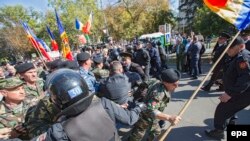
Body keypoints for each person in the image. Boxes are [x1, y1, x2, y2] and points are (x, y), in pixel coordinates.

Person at [32, 69, 146, 141]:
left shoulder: (59, 130)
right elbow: (130, 119)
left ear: (57, 101)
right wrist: (138, 108)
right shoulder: (104, 103)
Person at [205, 37, 250, 140]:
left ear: (240, 46)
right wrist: (224, 81)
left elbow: (246, 79)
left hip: (242, 93)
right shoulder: (238, 56)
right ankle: (232, 126)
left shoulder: (243, 57)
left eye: (230, 48)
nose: (227, 50)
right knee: (230, 109)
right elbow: (236, 73)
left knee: (222, 109)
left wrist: (229, 94)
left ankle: (219, 132)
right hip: (240, 91)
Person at [129, 68, 182, 141]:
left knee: (156, 132)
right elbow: (151, 110)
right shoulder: (159, 94)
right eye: (174, 84)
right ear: (165, 83)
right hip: (145, 116)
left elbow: (143, 83)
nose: (177, 86)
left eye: (178, 83)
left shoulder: (155, 81)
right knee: (137, 136)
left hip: (150, 115)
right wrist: (169, 117)